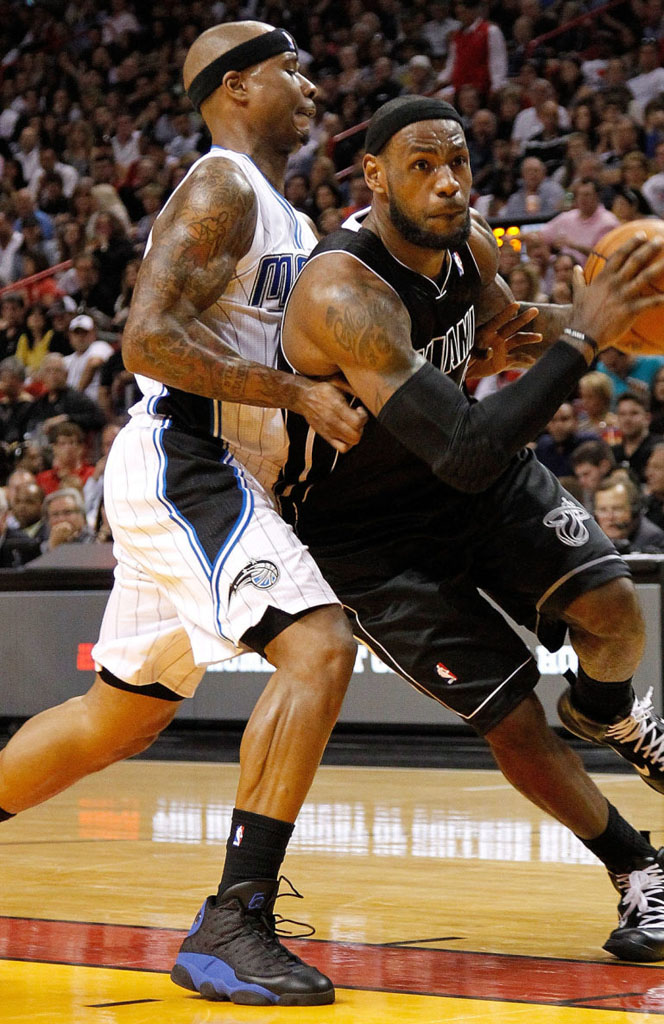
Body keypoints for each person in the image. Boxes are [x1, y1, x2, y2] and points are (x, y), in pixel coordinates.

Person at [0, 21, 366, 1008]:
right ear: (237, 86)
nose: (311, 84)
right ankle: (230, 926)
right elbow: (147, 339)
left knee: (116, 717)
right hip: (188, 453)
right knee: (320, 646)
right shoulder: (221, 186)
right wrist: (293, 398)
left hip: (221, 465)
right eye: (292, 68)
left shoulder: (282, 210)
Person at [276, 95, 664, 963]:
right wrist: (589, 340)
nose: (448, 182)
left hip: (473, 479)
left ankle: (608, 716)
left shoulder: (470, 243)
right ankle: (640, 870)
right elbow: (461, 445)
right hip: (369, 535)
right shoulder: (344, 292)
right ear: (373, 175)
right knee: (514, 720)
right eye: (423, 165)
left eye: (458, 162)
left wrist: (611, 326)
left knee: (615, 609)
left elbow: (510, 338)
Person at [594, 474, 664, 553]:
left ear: (634, 510)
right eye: (603, 510)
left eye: (617, 509)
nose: (610, 517)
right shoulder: (590, 539)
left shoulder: (653, 539)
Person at [534, 401, 597, 478]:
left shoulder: (589, 443)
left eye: (564, 419)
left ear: (576, 421)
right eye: (553, 420)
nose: (558, 425)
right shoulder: (543, 445)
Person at [612, 391, 663, 484]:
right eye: (622, 414)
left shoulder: (659, 448)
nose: (627, 419)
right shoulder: (613, 452)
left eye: (634, 413)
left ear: (647, 418)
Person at [570, 438, 617, 510]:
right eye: (579, 476)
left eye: (586, 474)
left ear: (604, 466)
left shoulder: (622, 492)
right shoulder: (587, 495)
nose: (581, 481)